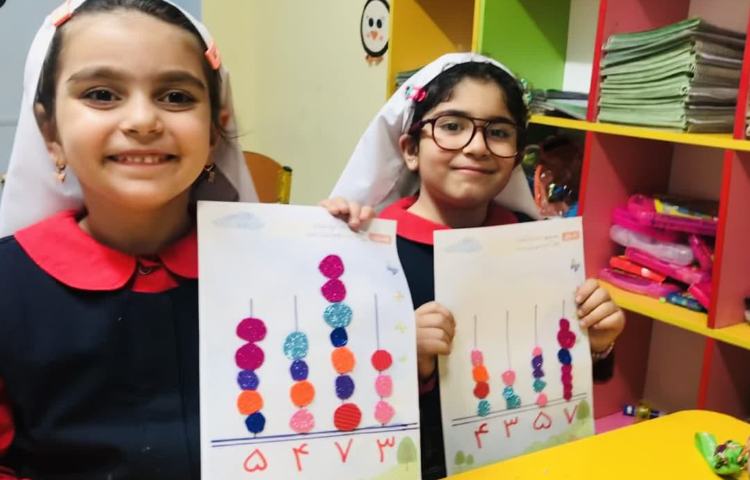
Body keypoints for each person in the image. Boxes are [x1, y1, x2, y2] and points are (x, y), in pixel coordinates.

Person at [0, 1, 370, 478]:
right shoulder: (10, 285)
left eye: (175, 97)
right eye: (101, 94)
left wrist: (372, 305)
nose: (142, 121)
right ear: (50, 130)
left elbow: (324, 405)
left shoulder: (274, 271)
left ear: (216, 129)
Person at [330, 53, 626, 479]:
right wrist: (405, 357)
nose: (476, 146)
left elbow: (561, 376)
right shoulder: (369, 249)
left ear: (516, 158)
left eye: (498, 132)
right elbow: (333, 386)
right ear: (410, 149)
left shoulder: (534, 244)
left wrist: (597, 342)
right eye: (452, 126)